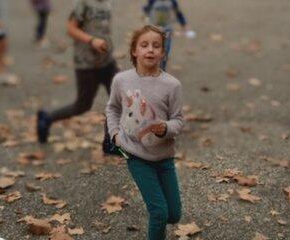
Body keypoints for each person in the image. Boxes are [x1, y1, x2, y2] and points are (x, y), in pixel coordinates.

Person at [106, 25, 184, 240]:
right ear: (134, 51)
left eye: (156, 46)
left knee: (173, 215)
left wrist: (165, 128)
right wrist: (114, 134)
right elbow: (112, 108)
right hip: (135, 154)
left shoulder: (172, 85)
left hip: (164, 158)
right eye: (144, 45)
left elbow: (178, 120)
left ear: (163, 52)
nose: (150, 50)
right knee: (159, 213)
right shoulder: (121, 80)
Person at [37, 0, 118, 143]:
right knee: (82, 105)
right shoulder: (83, 3)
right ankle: (47, 116)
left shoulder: (107, 3)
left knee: (119, 99)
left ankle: (112, 141)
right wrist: (92, 40)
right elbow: (70, 29)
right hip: (86, 63)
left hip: (107, 61)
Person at [143, 0, 195, 70]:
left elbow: (178, 13)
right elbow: (146, 9)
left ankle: (161, 71)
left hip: (167, 31)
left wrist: (184, 25)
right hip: (153, 30)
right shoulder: (152, 1)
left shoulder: (172, 2)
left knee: (164, 53)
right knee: (153, 51)